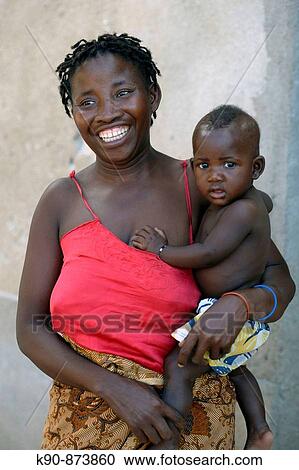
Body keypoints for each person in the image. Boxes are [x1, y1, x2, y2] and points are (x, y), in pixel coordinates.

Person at [16, 34, 295, 450]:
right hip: (81, 429)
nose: (107, 114)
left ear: (153, 95)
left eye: (123, 93)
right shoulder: (61, 200)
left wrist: (239, 304)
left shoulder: (202, 186)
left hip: (190, 428)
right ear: (73, 113)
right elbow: (29, 328)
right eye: (87, 102)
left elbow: (280, 281)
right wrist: (117, 390)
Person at [131, 104, 280, 449]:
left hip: (233, 312)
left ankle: (167, 441)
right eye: (204, 165)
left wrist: (161, 250)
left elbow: (208, 253)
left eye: (229, 164)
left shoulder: (243, 211)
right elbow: (265, 201)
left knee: (179, 365)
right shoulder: (238, 202)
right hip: (221, 309)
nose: (214, 175)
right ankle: (259, 429)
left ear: (255, 167)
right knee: (234, 367)